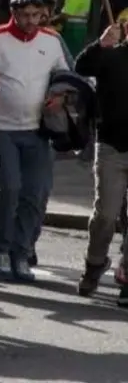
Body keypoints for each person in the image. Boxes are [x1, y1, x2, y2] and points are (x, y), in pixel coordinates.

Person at [0, 0, 69, 282]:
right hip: (1, 127)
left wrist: (59, 97)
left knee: (35, 192)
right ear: (13, 13)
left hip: (39, 129)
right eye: (24, 14)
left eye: (36, 15)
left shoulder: (52, 41)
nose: (30, 20)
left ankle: (21, 251)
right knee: (11, 187)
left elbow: (64, 77)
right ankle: (0, 248)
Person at [73, 18, 128, 306]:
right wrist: (102, 44)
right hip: (111, 146)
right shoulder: (112, 56)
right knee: (106, 214)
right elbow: (81, 67)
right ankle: (95, 263)